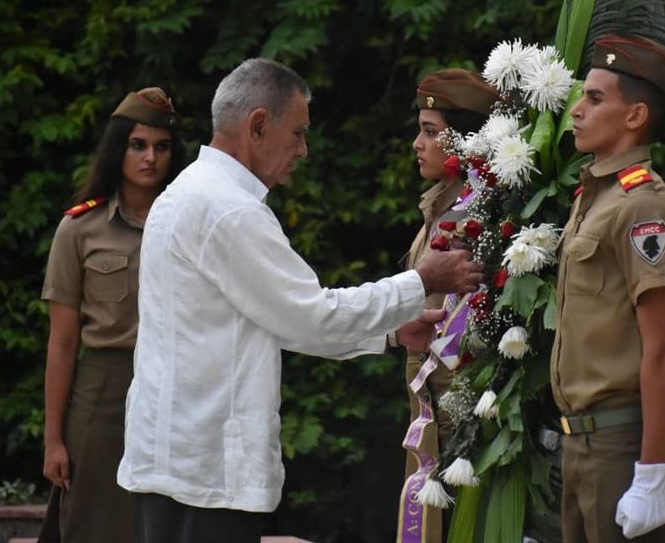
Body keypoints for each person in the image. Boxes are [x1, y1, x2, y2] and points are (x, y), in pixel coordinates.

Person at [116, 58, 484, 543]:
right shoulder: (227, 209)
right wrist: (418, 282)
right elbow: (311, 315)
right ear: (258, 125)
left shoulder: (188, 191)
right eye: (298, 133)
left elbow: (281, 319)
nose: (304, 150)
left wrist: (392, 331)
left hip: (181, 461)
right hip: (206, 471)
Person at [551, 33, 665, 542]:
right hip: (583, 444)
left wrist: (652, 473)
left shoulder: (641, 206)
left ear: (635, 116)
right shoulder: (597, 196)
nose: (576, 111)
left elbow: (664, 347)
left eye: (594, 99)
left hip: (622, 444)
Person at [38, 87, 184, 543]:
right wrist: (53, 440)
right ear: (117, 149)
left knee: (166, 523)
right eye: (137, 145)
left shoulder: (189, 222)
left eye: (161, 147)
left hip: (175, 389)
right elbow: (63, 341)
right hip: (103, 393)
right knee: (95, 522)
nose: (150, 158)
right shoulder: (80, 229)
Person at [396, 69, 500, 543]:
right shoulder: (443, 204)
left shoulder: (477, 216)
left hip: (457, 408)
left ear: (469, 139)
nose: (418, 143)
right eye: (420, 129)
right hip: (430, 405)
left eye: (431, 132)